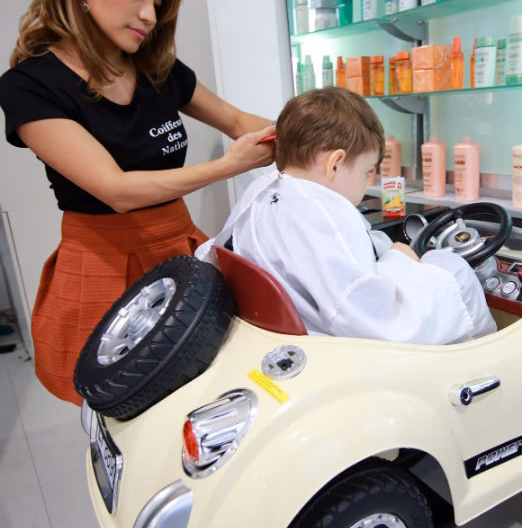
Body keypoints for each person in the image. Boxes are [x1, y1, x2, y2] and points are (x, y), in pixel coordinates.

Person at [0, 0, 276, 405]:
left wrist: (316, 140)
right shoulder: (30, 86)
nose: (149, 14)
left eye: (157, 2)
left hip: (179, 247)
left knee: (203, 390)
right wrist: (225, 168)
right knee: (122, 405)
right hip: (102, 259)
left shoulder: (157, 70)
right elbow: (116, 188)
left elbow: (236, 120)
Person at [197, 88, 497, 344]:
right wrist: (402, 260)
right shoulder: (323, 214)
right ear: (335, 164)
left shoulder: (262, 192)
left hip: (282, 331)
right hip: (336, 346)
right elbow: (370, 316)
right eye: (367, 172)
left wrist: (391, 255)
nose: (367, 183)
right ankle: (486, 357)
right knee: (452, 268)